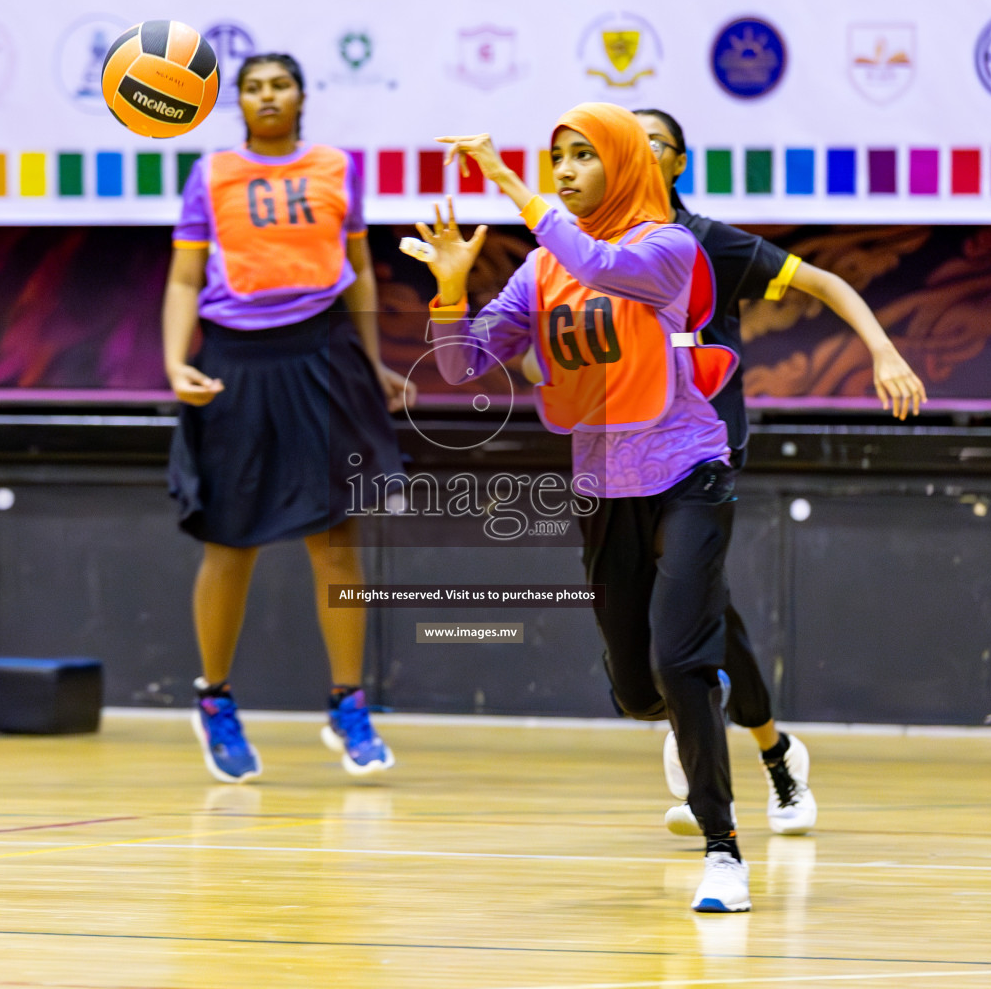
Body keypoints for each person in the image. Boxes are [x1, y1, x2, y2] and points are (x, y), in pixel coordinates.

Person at [412, 103, 760, 912]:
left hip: (689, 474)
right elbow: (463, 368)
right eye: (555, 158)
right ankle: (683, 722)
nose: (564, 171)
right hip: (606, 490)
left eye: (582, 156)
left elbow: (603, 268)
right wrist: (452, 290)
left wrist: (504, 182)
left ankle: (723, 850)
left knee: (682, 661)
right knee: (640, 692)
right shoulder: (540, 270)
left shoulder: (667, 249)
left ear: (627, 164)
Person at [629, 107, 927, 839]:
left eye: (651, 143)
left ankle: (711, 782)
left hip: (703, 451)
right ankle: (776, 751)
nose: (634, 154)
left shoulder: (708, 245)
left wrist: (883, 352)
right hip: (624, 458)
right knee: (700, 617)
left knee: (685, 621)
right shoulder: (591, 253)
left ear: (677, 163)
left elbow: (825, 282)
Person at [162, 53, 414, 783]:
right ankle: (214, 701)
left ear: (302, 95)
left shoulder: (337, 166)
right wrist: (177, 363)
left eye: (279, 84)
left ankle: (347, 703)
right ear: (238, 101)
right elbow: (183, 276)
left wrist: (370, 362)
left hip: (324, 351)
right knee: (229, 542)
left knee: (336, 537)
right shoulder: (212, 174)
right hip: (237, 361)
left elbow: (362, 268)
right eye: (253, 86)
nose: (267, 95)